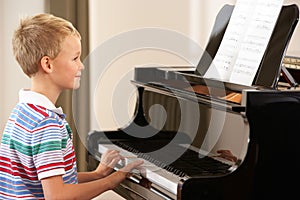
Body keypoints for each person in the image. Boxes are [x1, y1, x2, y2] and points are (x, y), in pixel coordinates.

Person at [0, 13, 143, 199]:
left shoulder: (23, 112)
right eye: (75, 58)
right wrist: (111, 181)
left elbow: (51, 180)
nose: (81, 66)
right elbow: (58, 196)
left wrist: (96, 175)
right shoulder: (46, 123)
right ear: (48, 64)